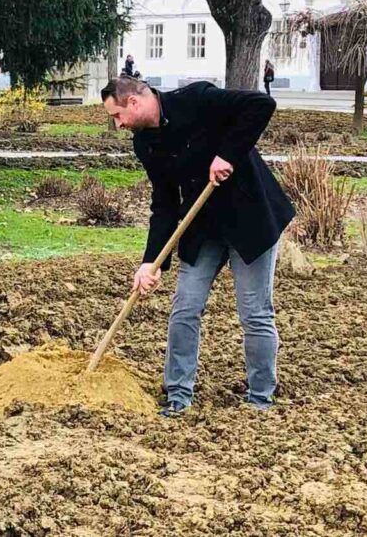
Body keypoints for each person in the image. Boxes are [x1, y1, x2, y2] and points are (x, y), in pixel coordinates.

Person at [101, 77, 295, 417]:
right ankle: (178, 395)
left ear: (133, 102)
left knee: (254, 312)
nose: (118, 125)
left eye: (117, 115)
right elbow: (163, 204)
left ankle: (261, 396)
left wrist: (227, 155)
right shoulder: (144, 143)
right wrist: (151, 263)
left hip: (249, 220)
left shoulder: (198, 99)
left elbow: (261, 105)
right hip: (202, 228)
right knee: (185, 307)